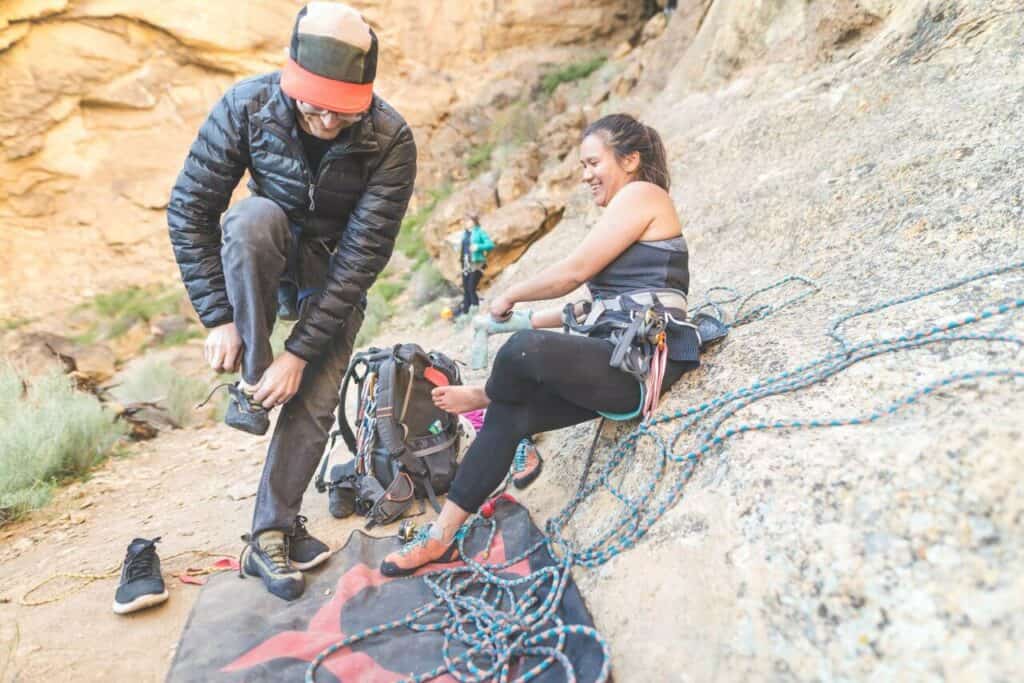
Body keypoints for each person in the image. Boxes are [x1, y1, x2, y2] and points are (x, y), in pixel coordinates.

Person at [167, 2, 416, 600]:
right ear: (289, 79)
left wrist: (300, 353)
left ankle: (271, 535)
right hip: (269, 253)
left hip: (335, 272)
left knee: (317, 396)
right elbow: (190, 212)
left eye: (340, 109)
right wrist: (221, 317)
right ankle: (251, 384)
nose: (325, 120)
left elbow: (362, 258)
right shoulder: (247, 106)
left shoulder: (390, 138)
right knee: (251, 219)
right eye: (312, 103)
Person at [380, 113, 696, 576]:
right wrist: (520, 318)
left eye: (593, 163)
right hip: (616, 361)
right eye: (582, 166)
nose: (586, 175)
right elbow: (589, 307)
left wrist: (511, 294)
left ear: (630, 160)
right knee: (513, 415)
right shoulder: (623, 214)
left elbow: (573, 273)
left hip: (641, 366)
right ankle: (440, 537)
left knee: (522, 351)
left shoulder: (642, 195)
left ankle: (483, 396)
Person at [458, 213, 494, 315]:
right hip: (466, 265)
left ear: (474, 221)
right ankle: (466, 312)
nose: (467, 223)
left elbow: (490, 244)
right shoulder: (465, 234)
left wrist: (478, 246)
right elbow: (463, 250)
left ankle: (476, 310)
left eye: (469, 220)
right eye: (465, 221)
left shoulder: (479, 232)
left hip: (477, 263)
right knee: (466, 289)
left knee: (471, 287)